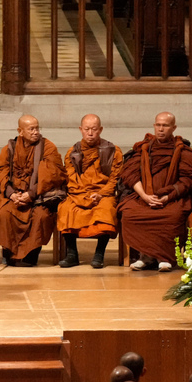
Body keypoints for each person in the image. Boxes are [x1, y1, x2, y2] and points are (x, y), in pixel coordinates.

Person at [118, 112, 192, 272]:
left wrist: (168, 197)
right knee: (129, 214)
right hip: (144, 196)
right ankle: (145, 256)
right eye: (158, 125)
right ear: (154, 126)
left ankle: (165, 257)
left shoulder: (183, 151)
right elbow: (130, 174)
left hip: (173, 198)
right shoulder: (143, 148)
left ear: (173, 127)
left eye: (165, 125)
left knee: (173, 216)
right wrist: (145, 196)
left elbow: (187, 180)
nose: (161, 129)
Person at [0, 114, 65, 267]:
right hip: (14, 196)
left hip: (38, 196)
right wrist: (11, 194)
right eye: (31, 129)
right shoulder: (10, 148)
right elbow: (2, 172)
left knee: (41, 217)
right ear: (20, 131)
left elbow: (52, 175)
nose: (35, 132)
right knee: (3, 214)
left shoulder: (47, 147)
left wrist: (30, 194)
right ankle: (9, 252)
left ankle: (31, 254)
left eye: (37, 128)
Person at [56, 114, 124, 269]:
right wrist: (84, 197)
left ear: (100, 130)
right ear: (81, 130)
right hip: (79, 193)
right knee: (66, 208)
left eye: (94, 129)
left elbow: (115, 178)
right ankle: (72, 254)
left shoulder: (113, 151)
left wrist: (101, 193)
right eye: (87, 129)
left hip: (103, 193)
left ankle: (99, 254)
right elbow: (71, 179)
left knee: (106, 209)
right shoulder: (73, 152)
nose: (90, 133)